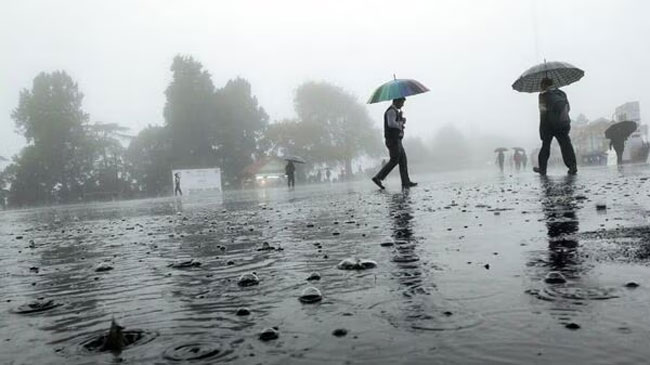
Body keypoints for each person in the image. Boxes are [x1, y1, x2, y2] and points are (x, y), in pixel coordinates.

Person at [533, 78, 577, 175]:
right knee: (566, 145)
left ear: (544, 85)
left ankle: (542, 169)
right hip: (562, 124)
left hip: (548, 125)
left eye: (541, 85)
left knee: (545, 146)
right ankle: (572, 166)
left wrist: (542, 130)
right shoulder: (561, 93)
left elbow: (543, 112)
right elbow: (568, 108)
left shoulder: (542, 95)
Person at [372, 97, 417, 189]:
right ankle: (378, 177)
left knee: (403, 160)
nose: (403, 104)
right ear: (397, 101)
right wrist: (400, 123)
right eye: (402, 102)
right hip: (392, 140)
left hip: (397, 139)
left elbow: (395, 123)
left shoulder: (395, 111)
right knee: (395, 160)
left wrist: (401, 119)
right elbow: (391, 124)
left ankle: (405, 181)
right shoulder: (391, 111)